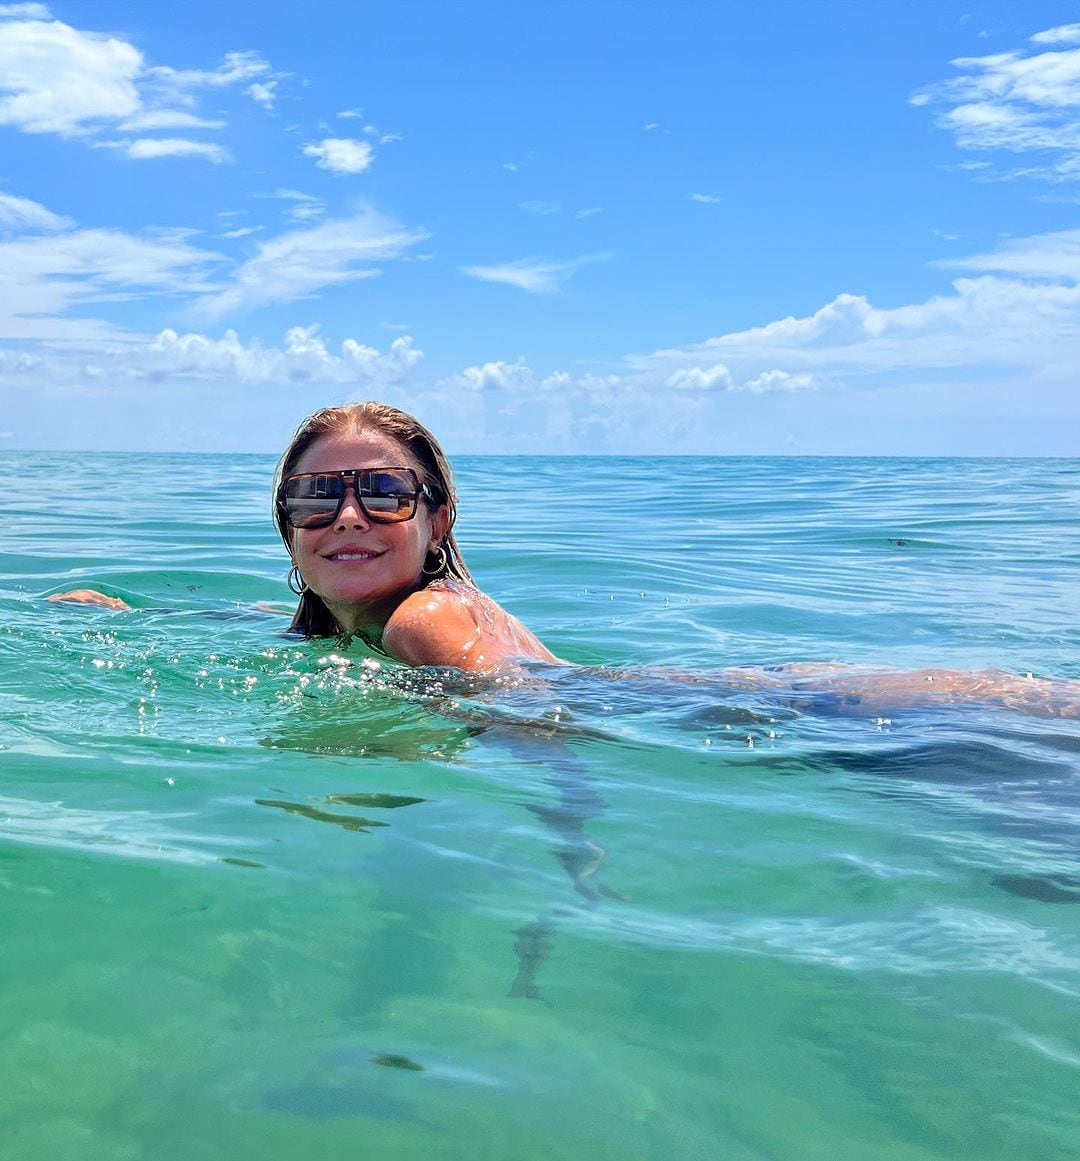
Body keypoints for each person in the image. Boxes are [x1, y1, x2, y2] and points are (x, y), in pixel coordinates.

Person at [47, 401, 1078, 715]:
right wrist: (132, 621)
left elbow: (540, 724)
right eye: (317, 493)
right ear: (286, 526)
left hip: (815, 717)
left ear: (436, 519)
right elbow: (296, 641)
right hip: (811, 697)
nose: (348, 513)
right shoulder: (379, 620)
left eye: (382, 490)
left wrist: (565, 852)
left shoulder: (421, 621)